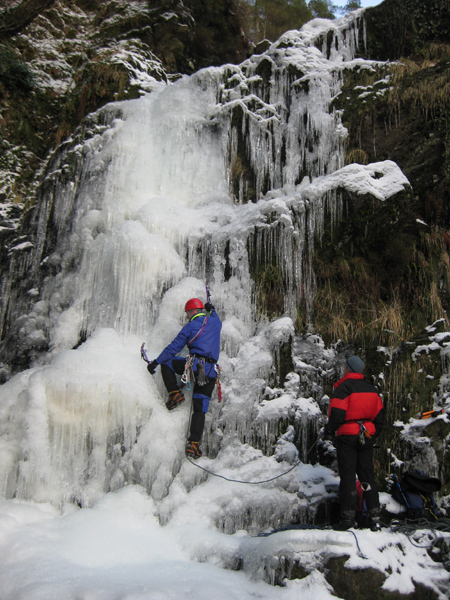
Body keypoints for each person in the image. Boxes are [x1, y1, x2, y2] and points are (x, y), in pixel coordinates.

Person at [146, 298, 222, 459]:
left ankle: (174, 394)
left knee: (168, 362)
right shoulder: (215, 322)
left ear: (193, 312)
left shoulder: (190, 328)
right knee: (200, 408)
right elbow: (215, 315)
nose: (187, 316)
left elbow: (173, 348)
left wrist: (155, 363)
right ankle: (193, 444)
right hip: (211, 373)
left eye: (188, 313)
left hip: (195, 367)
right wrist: (212, 308)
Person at [325, 355, 385, 531]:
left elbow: (337, 414)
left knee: (349, 477)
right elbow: (380, 417)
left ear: (347, 369)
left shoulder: (343, 388)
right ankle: (375, 518)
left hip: (347, 436)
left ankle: (347, 519)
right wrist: (372, 436)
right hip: (366, 436)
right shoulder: (372, 390)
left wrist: (329, 430)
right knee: (367, 477)